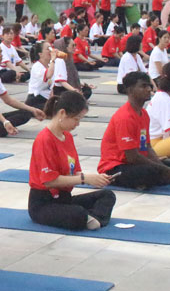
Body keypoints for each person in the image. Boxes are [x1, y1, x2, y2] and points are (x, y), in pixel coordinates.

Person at [29, 91, 116, 231]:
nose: (78, 124)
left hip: (64, 198)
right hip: (44, 203)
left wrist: (96, 179)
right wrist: (84, 179)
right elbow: (49, 181)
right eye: (76, 119)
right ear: (62, 113)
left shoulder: (67, 137)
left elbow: (74, 172)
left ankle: (90, 218)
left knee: (107, 195)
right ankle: (87, 217)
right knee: (78, 214)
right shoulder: (44, 139)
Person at [97, 71, 170, 189]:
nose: (149, 89)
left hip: (134, 163)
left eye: (149, 86)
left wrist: (160, 164)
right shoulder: (125, 117)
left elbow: (147, 146)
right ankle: (142, 181)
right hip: (115, 167)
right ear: (130, 90)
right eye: (143, 86)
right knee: (150, 172)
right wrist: (164, 169)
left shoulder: (144, 114)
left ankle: (146, 182)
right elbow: (132, 157)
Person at [26, 41, 56, 109]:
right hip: (35, 99)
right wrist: (53, 59)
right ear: (40, 54)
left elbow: (51, 87)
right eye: (48, 49)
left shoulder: (49, 66)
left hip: (45, 98)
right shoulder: (37, 66)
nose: (51, 51)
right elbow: (48, 75)